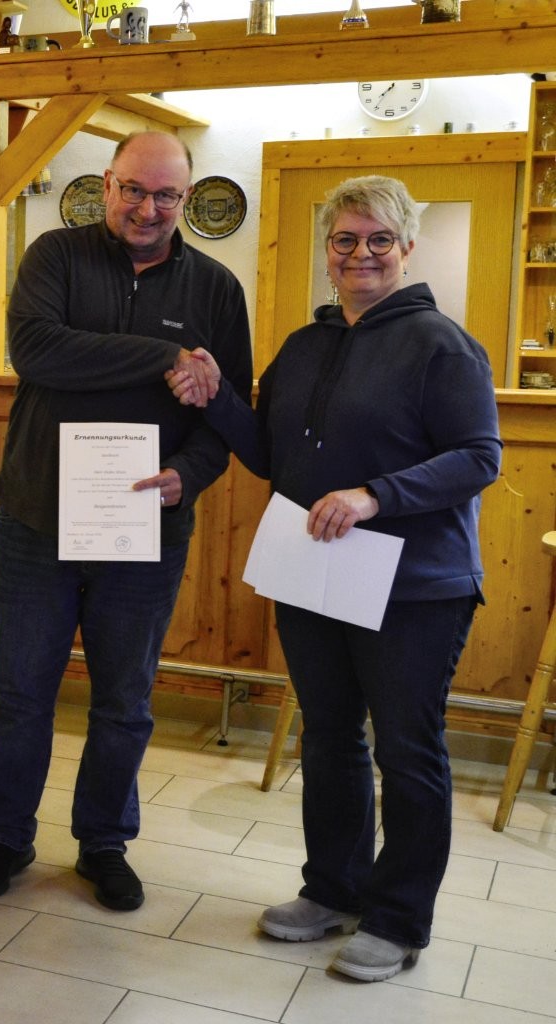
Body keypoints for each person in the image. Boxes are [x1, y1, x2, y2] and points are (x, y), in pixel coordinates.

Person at [166, 175, 502, 982]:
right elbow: (273, 457)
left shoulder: (442, 345)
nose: (361, 255)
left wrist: (374, 496)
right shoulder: (305, 345)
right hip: (314, 572)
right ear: (327, 253)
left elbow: (478, 458)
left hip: (414, 585)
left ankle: (398, 920)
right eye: (346, 240)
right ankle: (333, 890)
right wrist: (216, 400)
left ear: (407, 249)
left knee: (408, 752)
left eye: (379, 240)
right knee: (328, 737)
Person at [0, 131, 252, 909]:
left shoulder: (218, 290)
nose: (147, 208)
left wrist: (184, 478)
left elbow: (227, 412)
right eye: (133, 189)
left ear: (185, 198)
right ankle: (7, 836)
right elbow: (37, 351)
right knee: (23, 690)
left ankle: (103, 842)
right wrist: (165, 360)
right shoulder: (55, 257)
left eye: (165, 195)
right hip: (36, 520)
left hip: (146, 528)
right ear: (106, 183)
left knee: (125, 698)